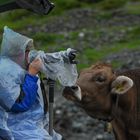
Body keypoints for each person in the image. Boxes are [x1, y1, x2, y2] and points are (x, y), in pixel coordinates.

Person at [0, 26, 69, 140]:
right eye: (29, 52)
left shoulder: (20, 68)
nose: (32, 55)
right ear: (21, 52)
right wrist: (31, 74)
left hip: (31, 126)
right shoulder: (5, 71)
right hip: (15, 131)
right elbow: (18, 104)